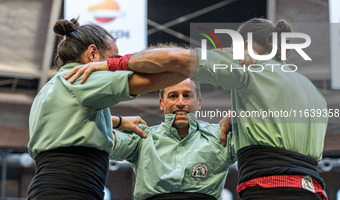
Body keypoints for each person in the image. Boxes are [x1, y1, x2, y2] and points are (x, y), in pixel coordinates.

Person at [67, 18, 328, 200]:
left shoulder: (250, 67)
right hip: (313, 190)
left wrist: (113, 64)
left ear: (246, 45)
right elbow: (279, 116)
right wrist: (238, 114)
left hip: (271, 193)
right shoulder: (314, 93)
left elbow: (172, 58)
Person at [27, 18, 187, 200]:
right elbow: (149, 81)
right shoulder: (82, 77)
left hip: (48, 188)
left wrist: (118, 121)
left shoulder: (52, 87)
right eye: (113, 59)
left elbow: (67, 120)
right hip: (69, 190)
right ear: (93, 53)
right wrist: (191, 66)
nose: (115, 66)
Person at [110, 79, 236, 200]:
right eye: (173, 96)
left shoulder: (220, 137)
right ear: (161, 103)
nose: (180, 103)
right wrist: (117, 121)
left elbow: (254, 133)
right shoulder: (142, 138)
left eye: (187, 96)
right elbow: (98, 138)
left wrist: (235, 114)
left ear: (198, 103)